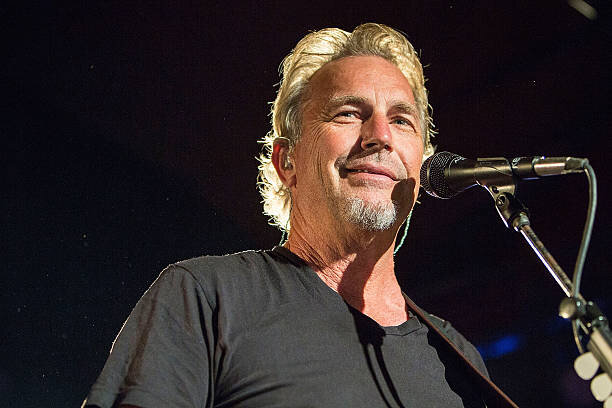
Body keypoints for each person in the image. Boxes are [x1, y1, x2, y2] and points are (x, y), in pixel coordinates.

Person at [82, 23, 516, 408]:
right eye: (349, 113)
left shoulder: (458, 361)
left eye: (402, 121)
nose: (380, 136)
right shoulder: (208, 296)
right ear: (287, 161)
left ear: (421, 167)